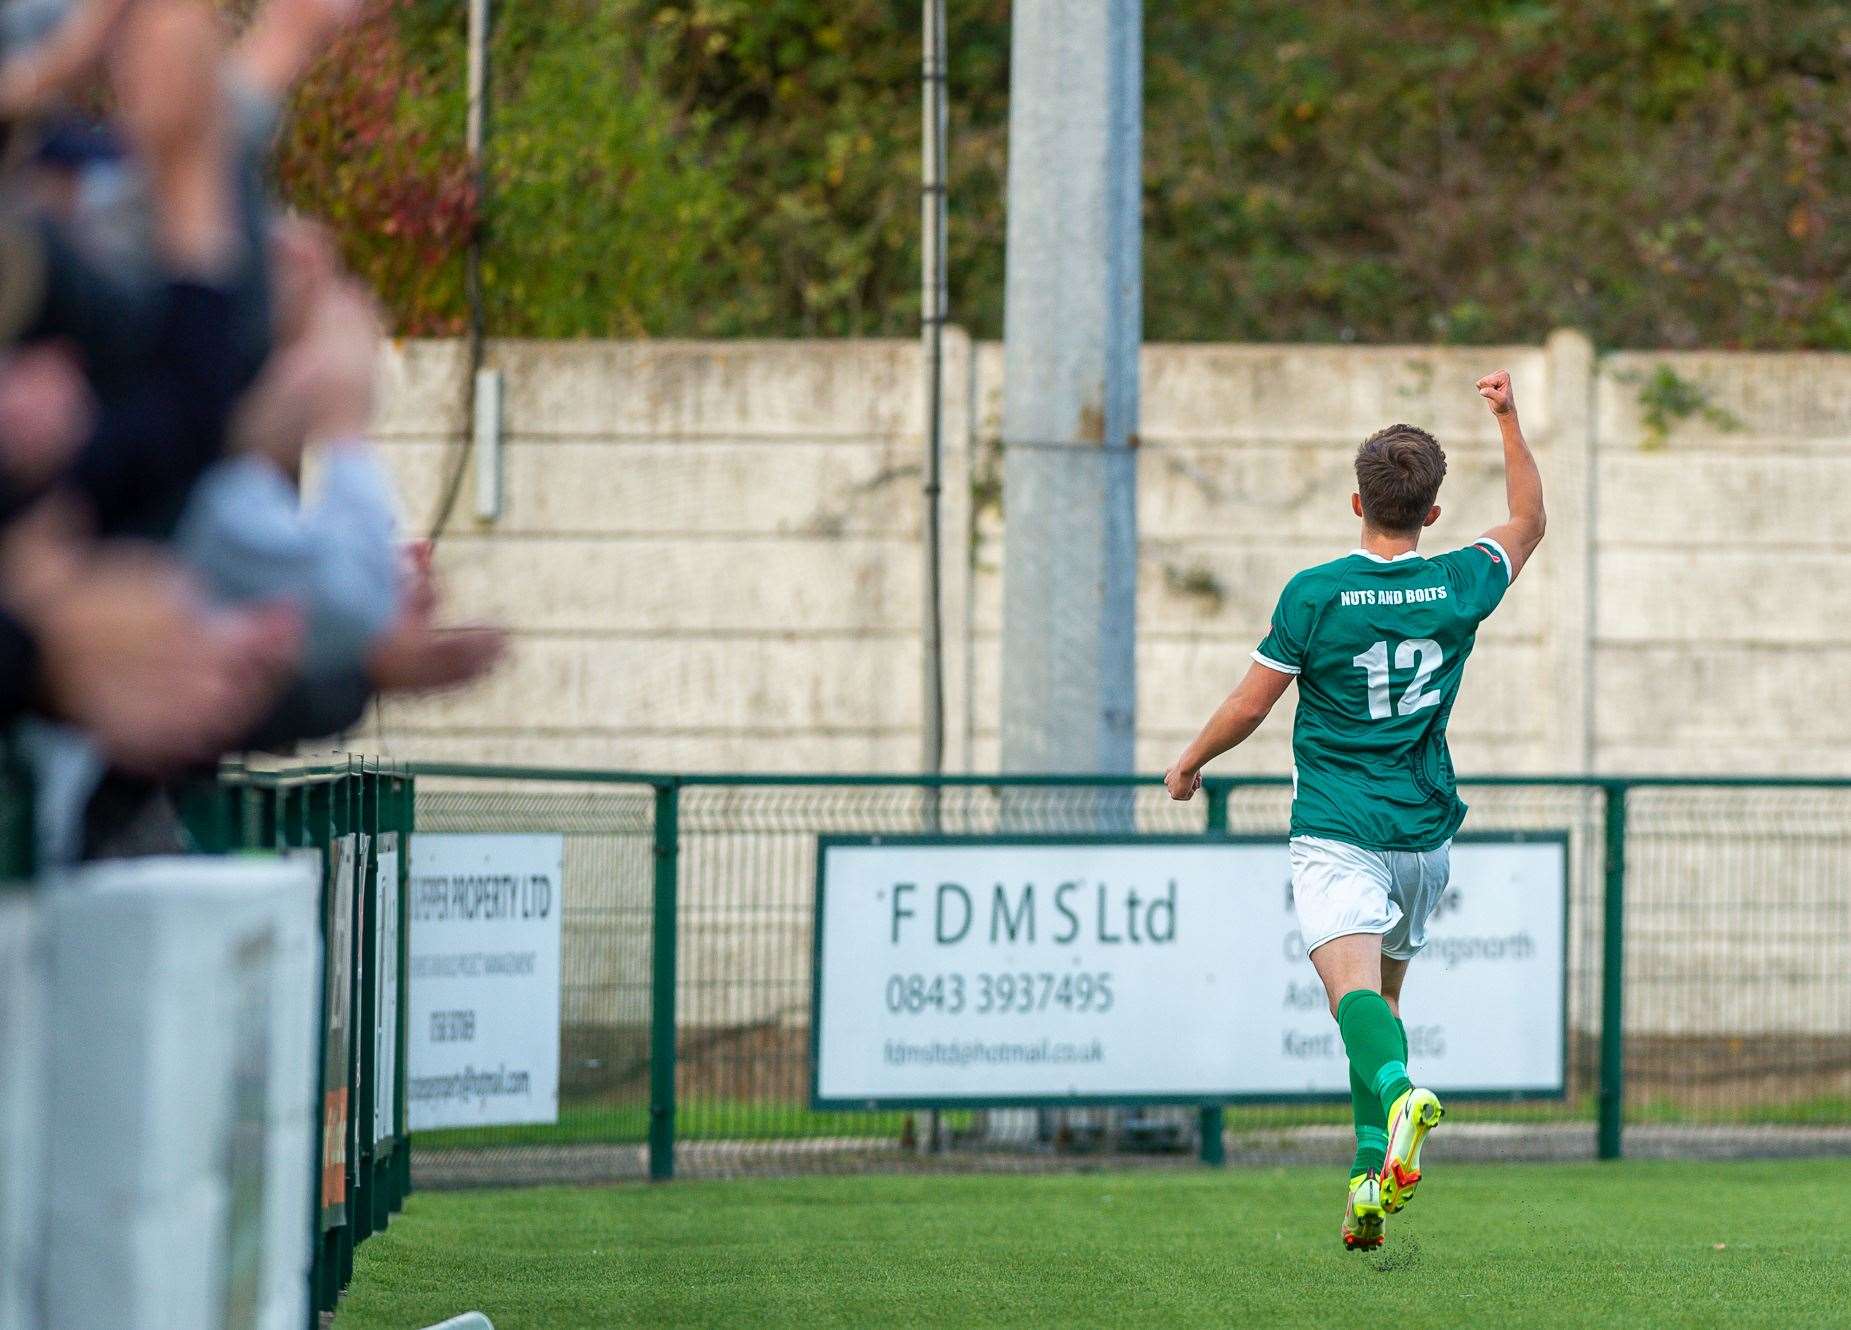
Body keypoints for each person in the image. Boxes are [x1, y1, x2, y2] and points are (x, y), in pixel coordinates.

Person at [1162, 369, 1546, 1251]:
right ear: (1431, 513)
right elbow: (1527, 521)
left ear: (1355, 501)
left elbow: (1252, 707)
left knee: (1356, 1014)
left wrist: (1188, 761)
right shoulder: (1457, 581)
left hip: (1338, 828)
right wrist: (1508, 419)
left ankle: (1403, 1100)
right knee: (1378, 1012)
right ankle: (1367, 1178)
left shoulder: (1316, 591)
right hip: (1422, 839)